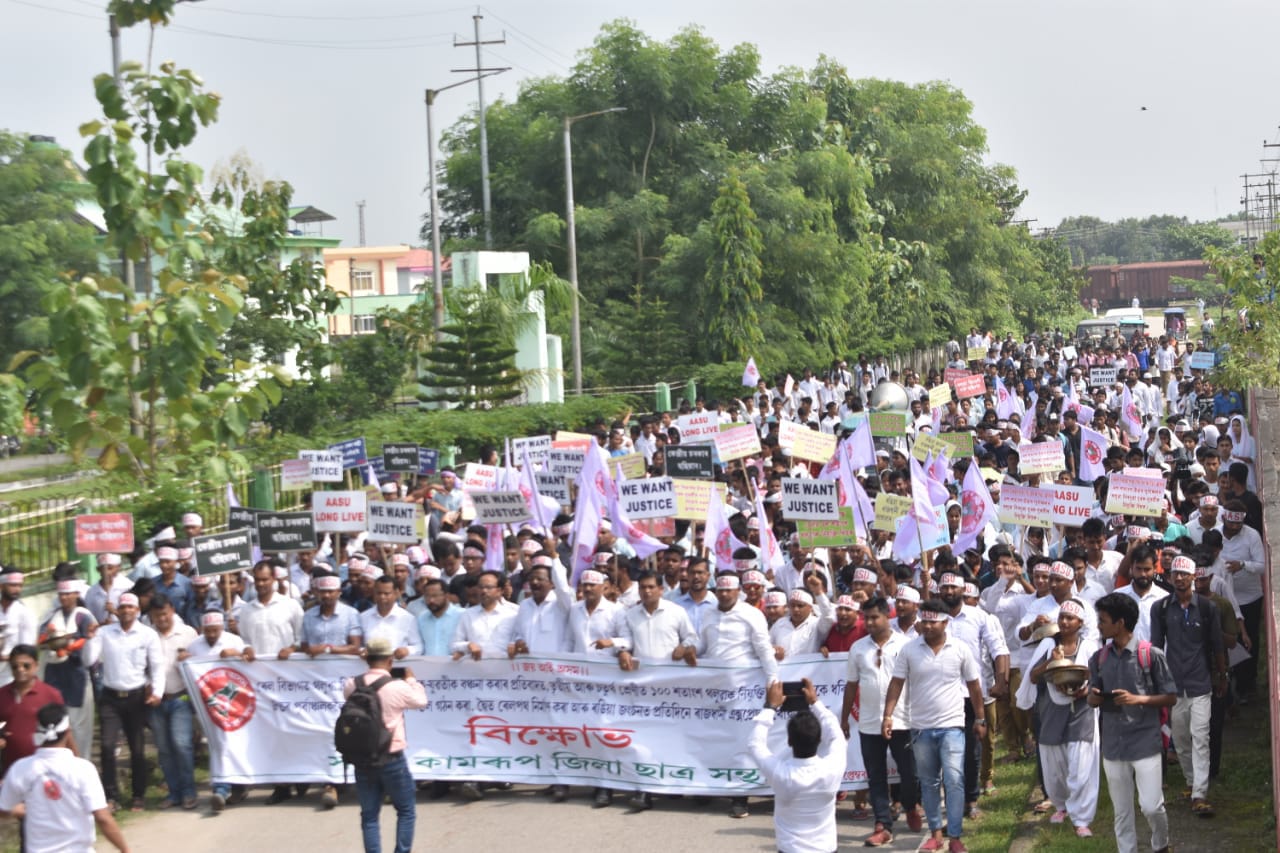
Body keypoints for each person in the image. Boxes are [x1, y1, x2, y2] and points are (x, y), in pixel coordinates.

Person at [881, 599, 986, 853]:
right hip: (921, 728)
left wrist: (981, 718)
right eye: (924, 621)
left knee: (954, 780)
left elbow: (974, 686)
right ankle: (936, 834)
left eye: (932, 621)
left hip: (952, 726)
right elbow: (896, 683)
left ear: (945, 622)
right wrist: (888, 716)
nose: (926, 626)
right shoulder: (909, 650)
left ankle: (955, 836)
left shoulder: (960, 648)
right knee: (928, 783)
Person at [1087, 593, 1178, 853]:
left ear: (1121, 623)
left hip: (1145, 741)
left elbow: (1170, 696)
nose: (1099, 626)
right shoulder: (1099, 658)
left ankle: (1160, 844)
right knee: (1122, 811)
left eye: (1103, 620)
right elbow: (1093, 700)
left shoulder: (1151, 655)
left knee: (1151, 805)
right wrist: (1094, 697)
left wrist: (1136, 699)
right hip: (1113, 745)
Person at [1149, 556, 1226, 817]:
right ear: (1169, 577)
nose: (1179, 578)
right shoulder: (1160, 608)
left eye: (1184, 574)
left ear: (1194, 577)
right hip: (1173, 684)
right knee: (1180, 739)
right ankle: (1192, 781)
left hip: (1200, 682)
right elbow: (1157, 646)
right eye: (1175, 574)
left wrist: (1223, 676)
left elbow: (1217, 644)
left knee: (1200, 737)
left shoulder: (1206, 608)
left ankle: (1200, 794)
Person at [698, 572, 779, 819]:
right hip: (712, 689)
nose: (723, 594)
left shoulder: (751, 615)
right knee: (713, 738)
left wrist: (773, 679)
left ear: (737, 591)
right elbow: (703, 647)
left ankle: (739, 797)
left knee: (740, 742)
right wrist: (689, 651)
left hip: (743, 690)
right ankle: (710, 788)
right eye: (720, 590)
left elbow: (764, 649)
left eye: (728, 590)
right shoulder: (708, 614)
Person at [0, 703, 130, 852]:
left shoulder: (21, 768)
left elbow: (3, 808)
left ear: (37, 732)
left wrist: (14, 810)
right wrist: (125, 850)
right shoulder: (83, 769)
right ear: (68, 732)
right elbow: (102, 817)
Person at [843, 596, 920, 846]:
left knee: (910, 772)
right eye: (865, 618)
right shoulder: (858, 648)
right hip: (868, 722)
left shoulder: (906, 644)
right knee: (875, 776)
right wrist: (844, 719)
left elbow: (917, 682)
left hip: (902, 720)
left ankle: (910, 805)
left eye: (875, 617)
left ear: (888, 616)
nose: (869, 623)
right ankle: (882, 825)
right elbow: (851, 685)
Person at [1021, 598, 1099, 836]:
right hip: (1052, 710)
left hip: (1082, 710)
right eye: (1062, 617)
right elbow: (1032, 677)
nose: (1064, 622)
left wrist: (1086, 689)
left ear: (1080, 622)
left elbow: (1097, 675)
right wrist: (1051, 663)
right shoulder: (1047, 644)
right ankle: (1061, 805)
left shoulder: (1089, 646)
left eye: (1070, 618)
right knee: (1055, 766)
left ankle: (1081, 818)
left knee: (1081, 764)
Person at [342, 638, 428, 853]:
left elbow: (346, 698)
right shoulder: (397, 686)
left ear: (366, 658)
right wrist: (411, 680)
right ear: (390, 660)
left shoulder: (352, 684)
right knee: (406, 811)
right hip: (392, 756)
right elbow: (421, 701)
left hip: (363, 757)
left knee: (370, 815)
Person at [747, 678, 845, 853]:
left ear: (789, 741)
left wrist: (770, 707)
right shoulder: (831, 768)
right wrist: (815, 703)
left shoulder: (781, 774)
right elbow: (837, 735)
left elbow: (755, 744)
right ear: (819, 740)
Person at [237, 561, 305, 805]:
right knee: (270, 733)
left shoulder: (290, 606)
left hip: (288, 680)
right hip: (260, 683)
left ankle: (301, 777)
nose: (262, 584)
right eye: (258, 580)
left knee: (292, 728)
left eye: (266, 579)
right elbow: (243, 640)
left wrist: (292, 648)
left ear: (274, 579)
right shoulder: (246, 610)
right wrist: (245, 649)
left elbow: (301, 638)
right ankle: (281, 783)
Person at [38, 579, 100, 763]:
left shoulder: (84, 616)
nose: (64, 597)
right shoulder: (52, 616)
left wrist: (71, 648)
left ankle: (83, 765)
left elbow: (91, 641)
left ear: (76, 595)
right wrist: (48, 635)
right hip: (54, 676)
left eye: (68, 594)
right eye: (61, 594)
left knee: (80, 726)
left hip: (77, 674)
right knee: (55, 724)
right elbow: (40, 642)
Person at [147, 595, 198, 811]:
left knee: (181, 744)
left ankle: (188, 791)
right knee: (164, 749)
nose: (162, 619)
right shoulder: (147, 636)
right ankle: (174, 792)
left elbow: (199, 663)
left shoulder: (187, 634)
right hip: (155, 701)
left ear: (172, 610)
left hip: (180, 698)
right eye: (157, 616)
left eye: (165, 613)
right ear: (151, 617)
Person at [0, 645, 64, 776]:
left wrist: (74, 762)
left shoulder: (51, 695)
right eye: (15, 666)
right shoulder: (2, 694)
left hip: (43, 771)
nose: (20, 670)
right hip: (9, 770)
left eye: (26, 666)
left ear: (36, 665)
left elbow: (65, 731)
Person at [0, 568, 36, 688]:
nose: (17, 589)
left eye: (19, 586)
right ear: (1, 586)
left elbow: (27, 650)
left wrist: (6, 658)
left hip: (11, 675)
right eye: (13, 585)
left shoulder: (24, 614)